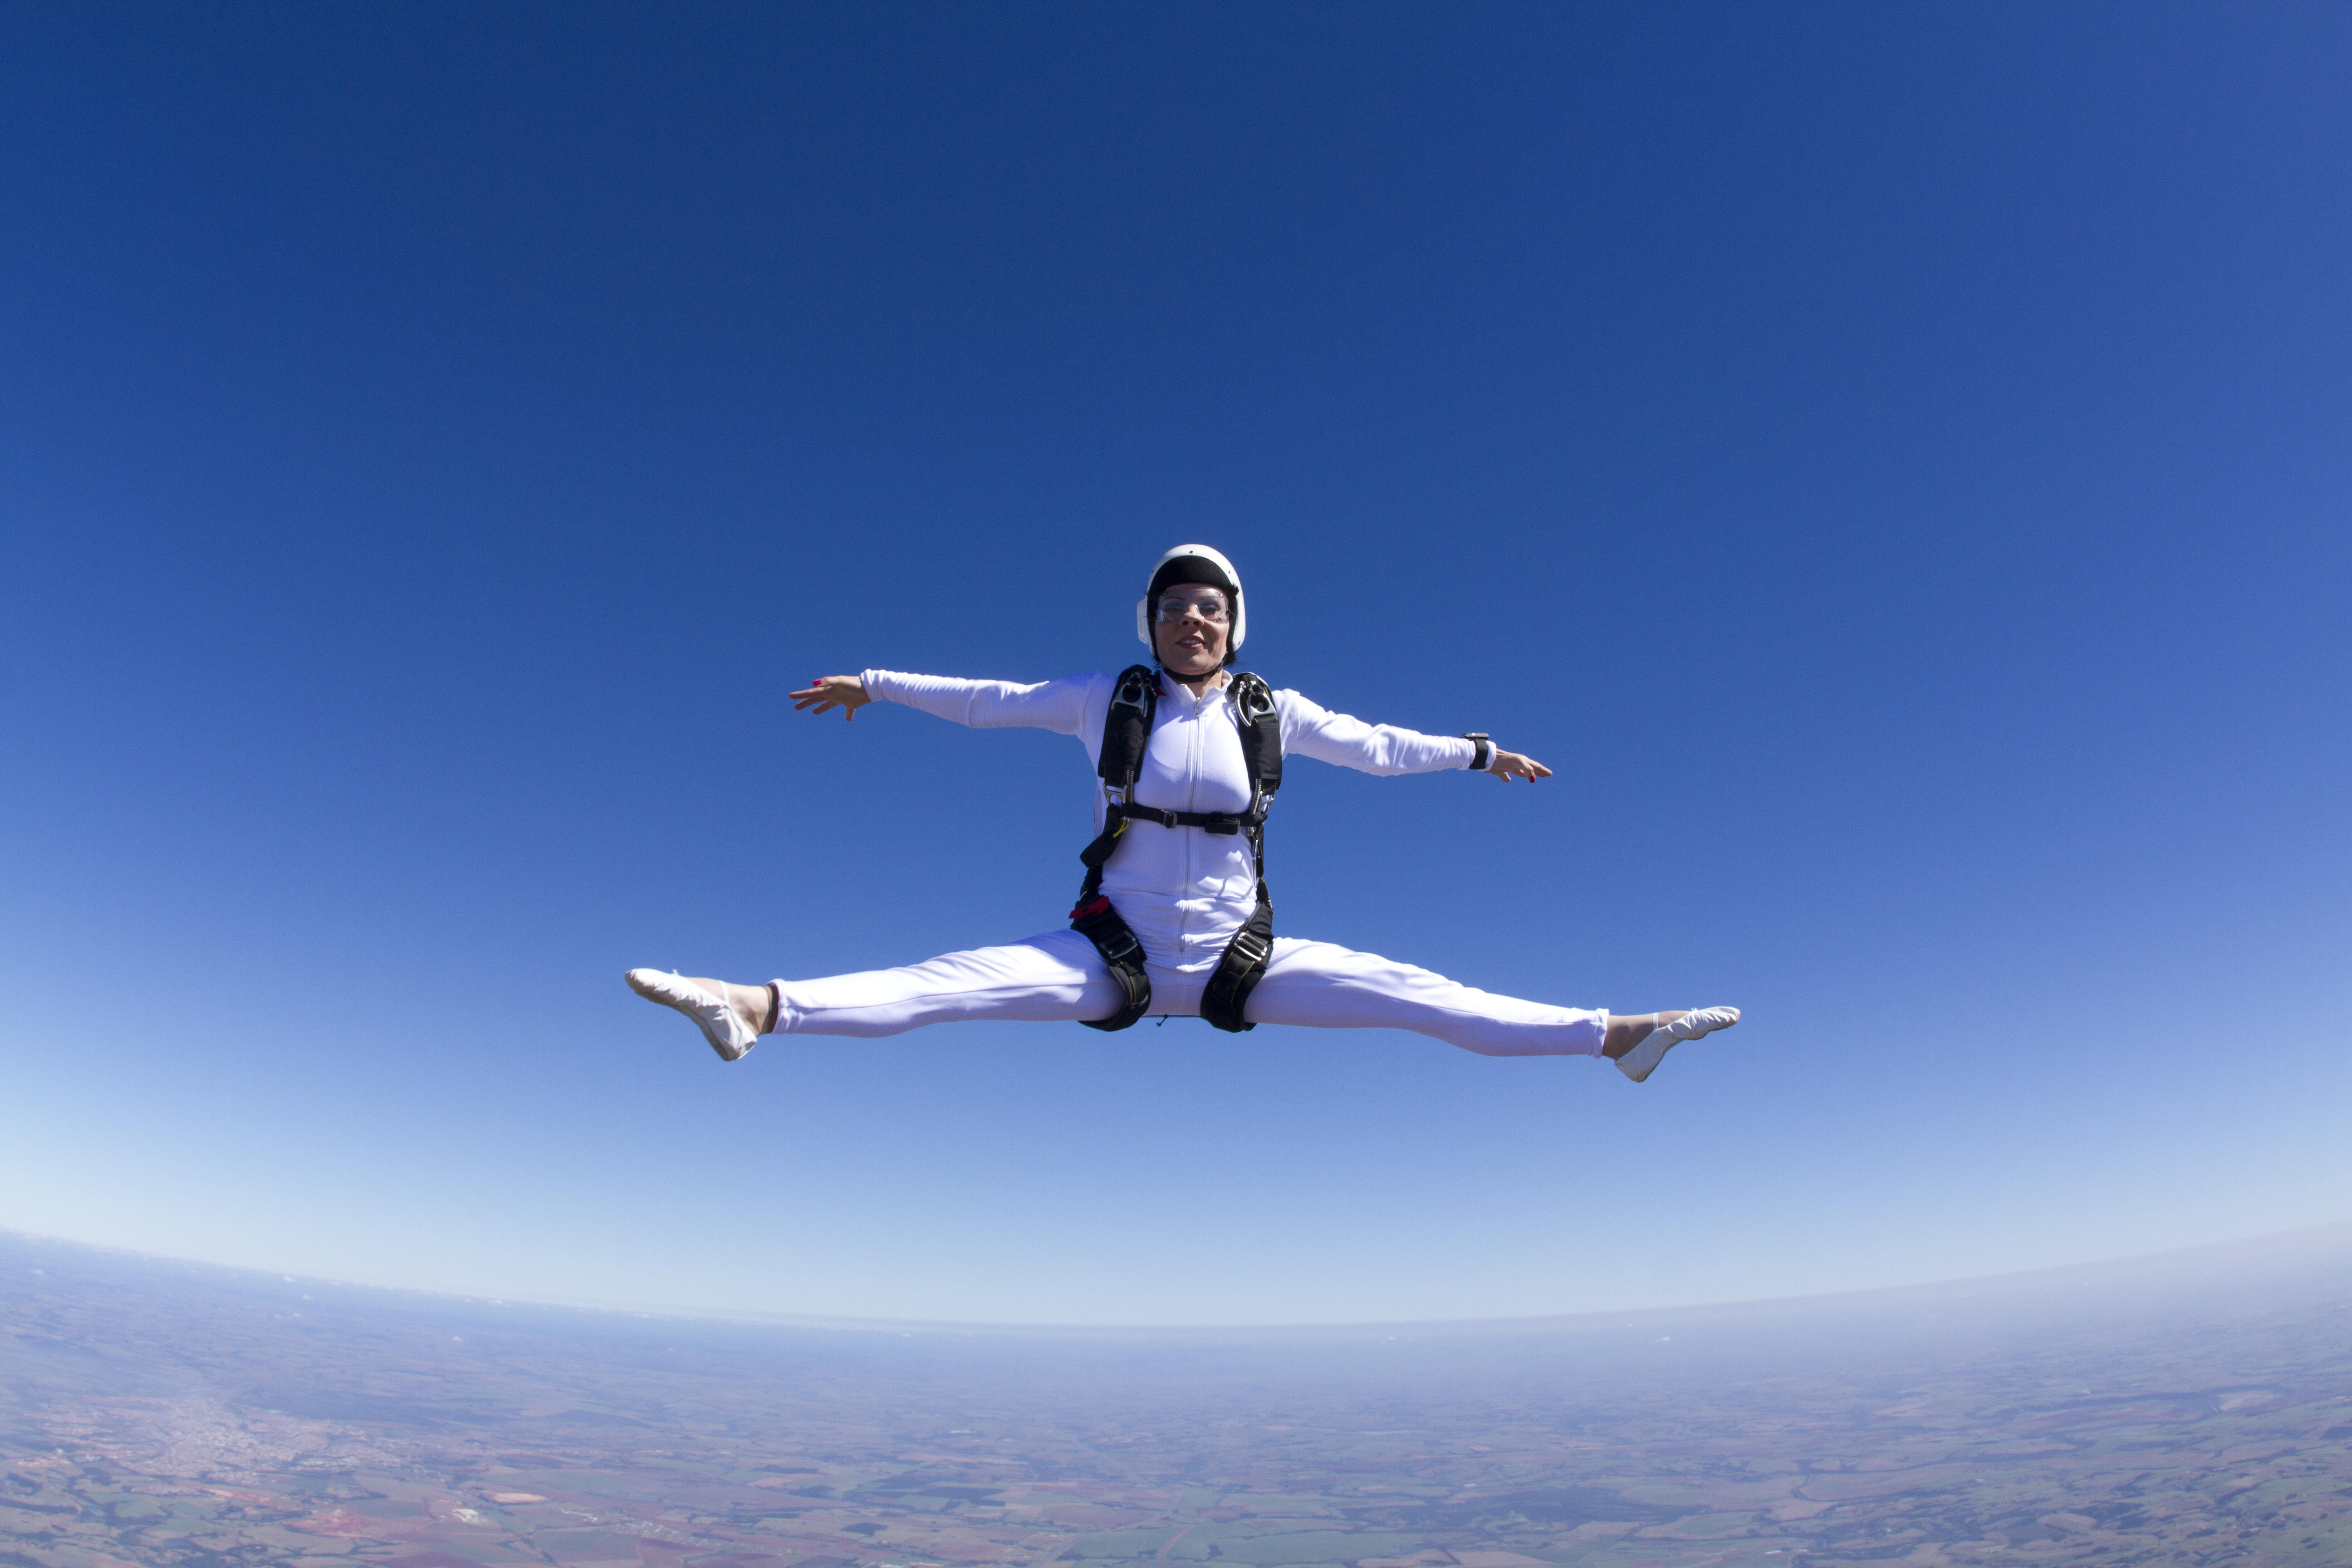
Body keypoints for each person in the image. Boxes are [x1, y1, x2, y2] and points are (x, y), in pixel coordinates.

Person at [627, 545, 1737, 1082]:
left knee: (1422, 997)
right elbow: (986, 703)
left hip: (1241, 956)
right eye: (1173, 608)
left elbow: (1381, 748)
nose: (1192, 621)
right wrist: (875, 678)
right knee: (944, 986)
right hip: (1115, 948)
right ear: (1148, 622)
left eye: (1210, 609)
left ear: (1235, 624)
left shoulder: (1273, 710)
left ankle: (1617, 1038)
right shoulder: (1102, 700)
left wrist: (1477, 753)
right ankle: (755, 1007)